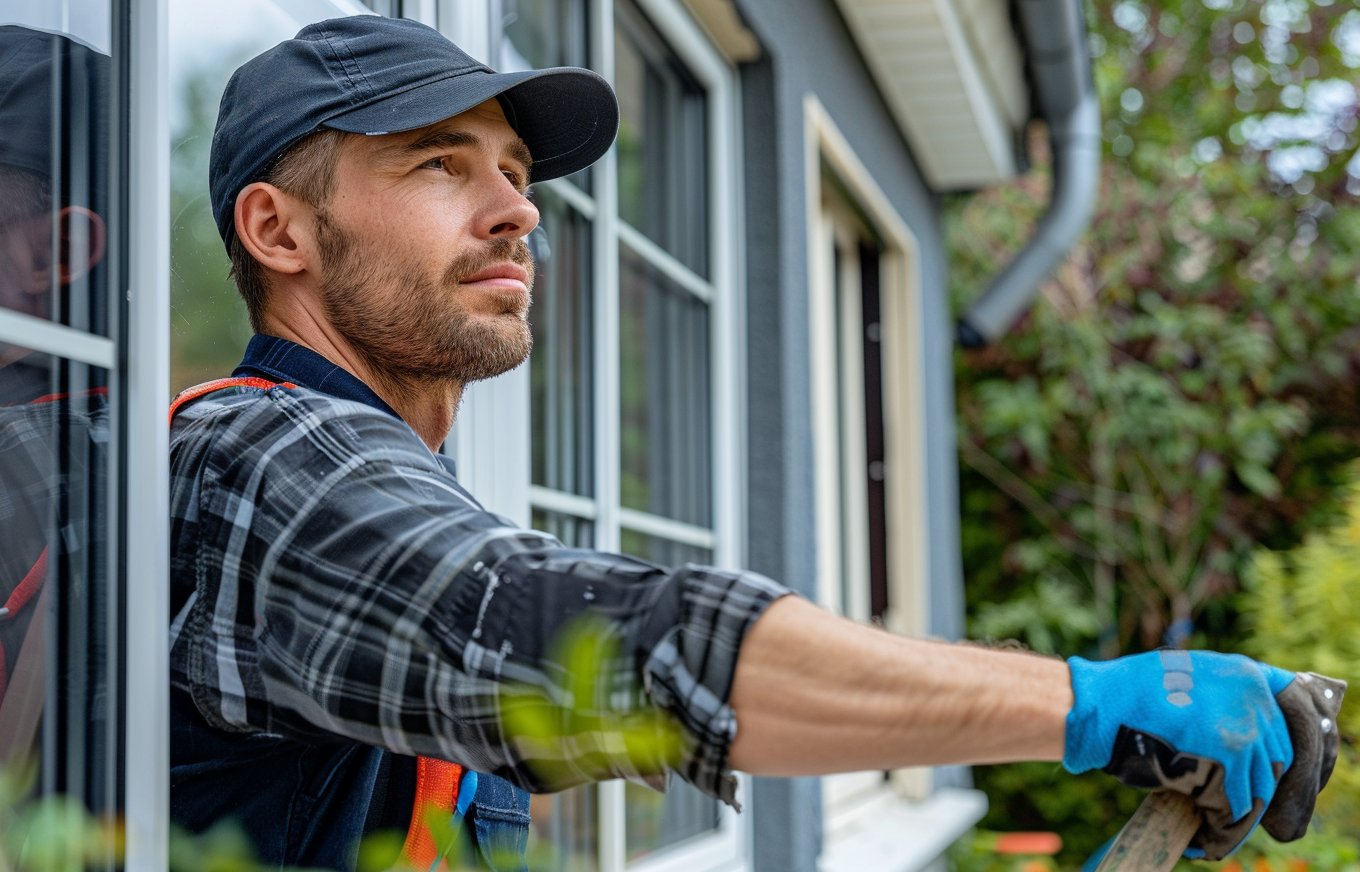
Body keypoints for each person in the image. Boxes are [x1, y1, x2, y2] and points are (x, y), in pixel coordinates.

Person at [170, 14, 1342, 871]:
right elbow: (591, 643)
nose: (519, 209)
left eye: (519, 175)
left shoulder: (381, 475)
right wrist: (1093, 701)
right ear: (279, 229)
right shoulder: (261, 461)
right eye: (439, 163)